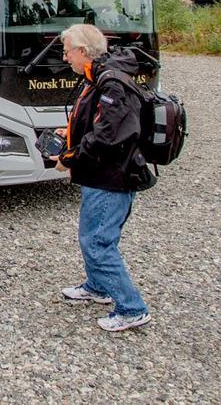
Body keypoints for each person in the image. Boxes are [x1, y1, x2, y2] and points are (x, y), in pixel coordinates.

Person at [52, 23, 152, 332]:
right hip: (98, 175)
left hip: (112, 177)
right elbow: (95, 122)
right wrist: (68, 134)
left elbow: (106, 135)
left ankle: (132, 307)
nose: (65, 58)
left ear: (82, 52)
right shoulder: (97, 78)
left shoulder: (111, 85)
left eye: (68, 52)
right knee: (90, 236)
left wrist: (70, 156)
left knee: (98, 242)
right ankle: (98, 287)